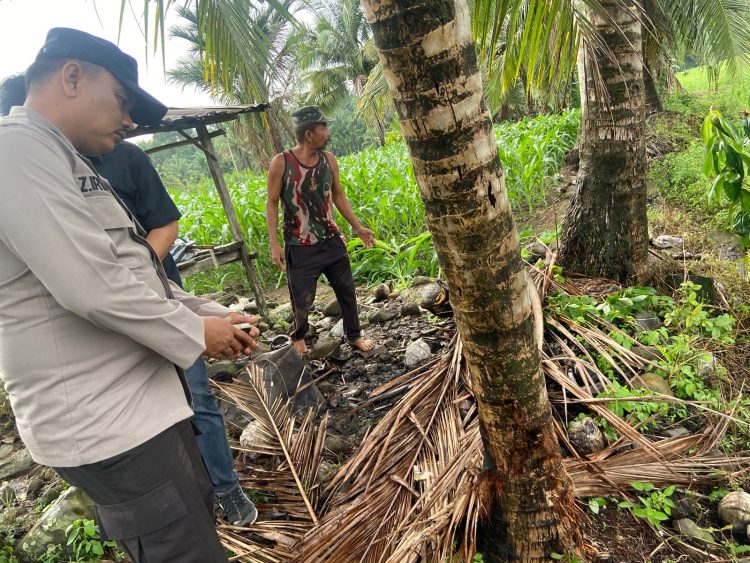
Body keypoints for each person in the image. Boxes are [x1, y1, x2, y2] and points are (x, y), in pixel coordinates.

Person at [0, 28, 259, 562]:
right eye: (122, 99)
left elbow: (131, 272)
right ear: (72, 76)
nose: (128, 120)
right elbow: (90, 287)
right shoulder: (14, 150)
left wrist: (210, 313)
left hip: (141, 411)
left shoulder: (62, 159)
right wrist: (198, 333)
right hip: (109, 424)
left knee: (195, 530)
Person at [91, 141, 258, 527]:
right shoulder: (43, 177)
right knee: (147, 413)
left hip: (158, 297)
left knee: (195, 395)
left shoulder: (123, 157)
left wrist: (134, 283)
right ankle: (188, 498)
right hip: (110, 316)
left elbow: (165, 223)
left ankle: (226, 488)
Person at [266, 105, 376, 356]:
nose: (328, 132)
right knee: (301, 299)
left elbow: (338, 195)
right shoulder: (281, 162)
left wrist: (357, 227)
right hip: (300, 245)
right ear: (308, 135)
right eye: (323, 128)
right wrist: (274, 244)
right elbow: (271, 204)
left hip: (331, 239)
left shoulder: (329, 160)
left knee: (347, 291)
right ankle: (298, 336)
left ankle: (354, 336)